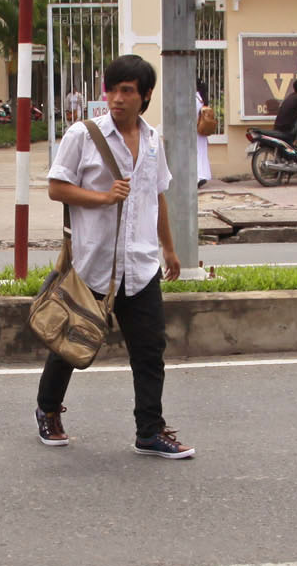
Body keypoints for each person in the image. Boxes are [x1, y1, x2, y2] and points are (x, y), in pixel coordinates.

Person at [35, 54, 191, 459]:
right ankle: (48, 409)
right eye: (112, 89)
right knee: (70, 342)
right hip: (93, 263)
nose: (116, 98)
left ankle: (149, 431)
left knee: (150, 350)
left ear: (145, 96)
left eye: (126, 91)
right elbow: (56, 188)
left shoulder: (154, 140)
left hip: (140, 265)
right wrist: (103, 198)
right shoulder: (82, 135)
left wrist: (169, 249)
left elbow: (156, 195)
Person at [272, 76, 297, 147]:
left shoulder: (291, 96)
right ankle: (295, 143)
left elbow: (294, 109)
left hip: (278, 127)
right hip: (287, 129)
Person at [194, 79, 212, 189]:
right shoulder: (201, 98)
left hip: (195, 130)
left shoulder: (194, 98)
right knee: (202, 154)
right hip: (201, 131)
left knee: (196, 154)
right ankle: (203, 175)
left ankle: (198, 177)